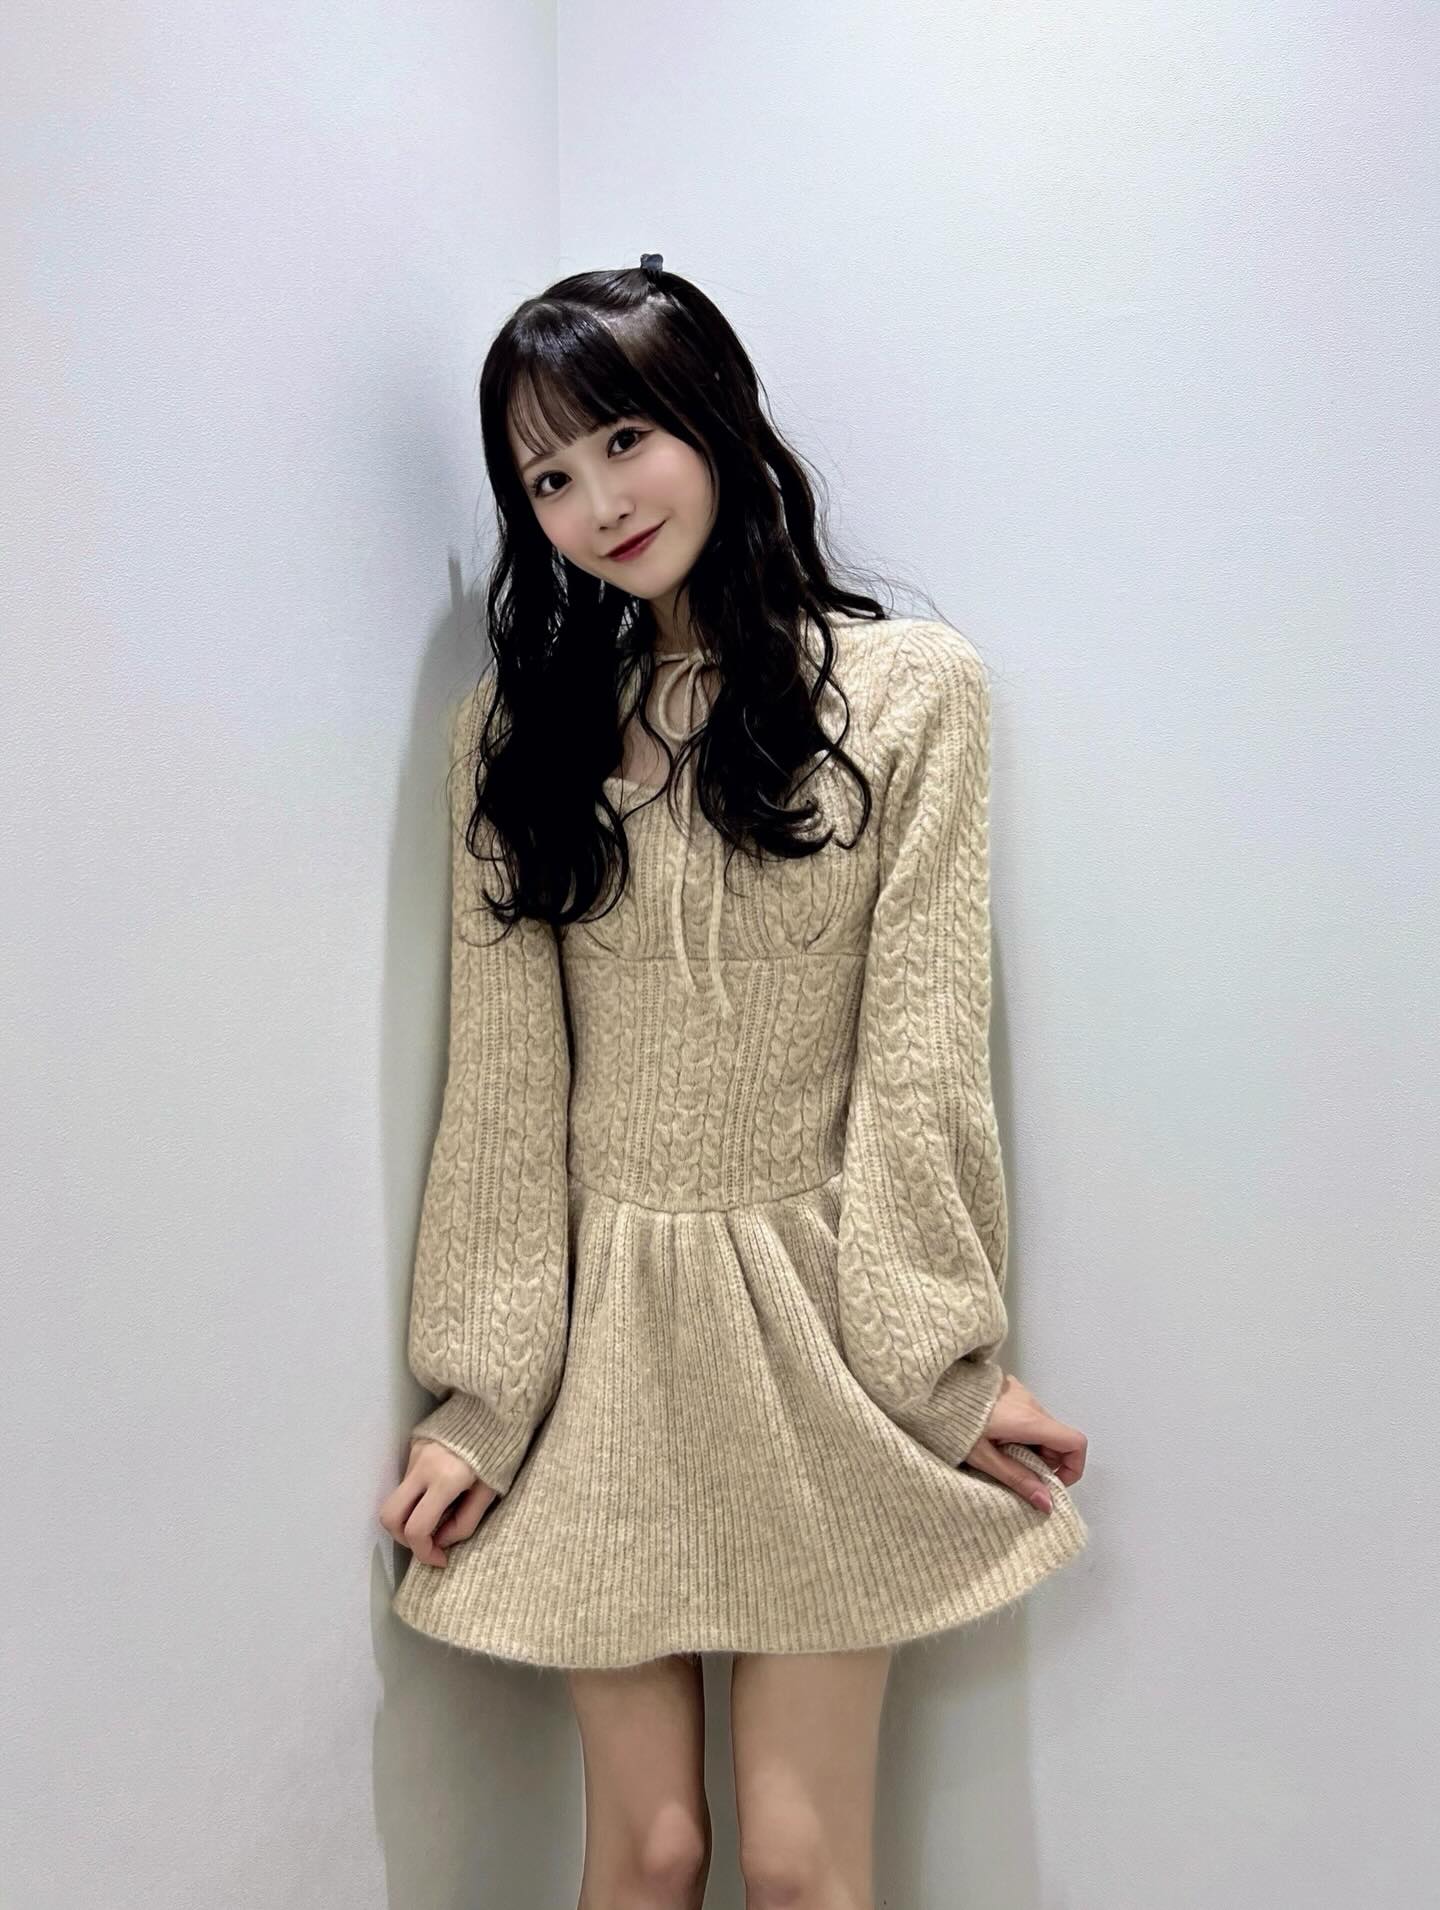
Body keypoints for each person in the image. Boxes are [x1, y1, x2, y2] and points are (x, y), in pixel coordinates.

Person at [379, 254, 1091, 1908]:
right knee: (652, 1849)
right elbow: (503, 1093)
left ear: (714, 418)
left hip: (815, 1325)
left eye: (623, 439)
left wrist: (939, 1361)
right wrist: (483, 1395)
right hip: (605, 1344)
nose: (598, 503)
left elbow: (921, 1057)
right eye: (548, 478)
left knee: (797, 1861)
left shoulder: (910, 692)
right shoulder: (515, 738)